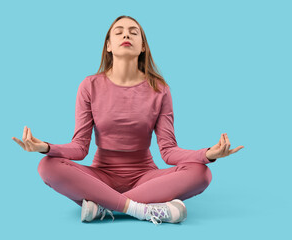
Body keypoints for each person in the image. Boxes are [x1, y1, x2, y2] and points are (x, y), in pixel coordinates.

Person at [12, 15, 244, 225]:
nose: (126, 34)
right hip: (100, 177)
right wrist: (46, 148)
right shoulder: (89, 86)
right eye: (119, 31)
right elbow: (80, 147)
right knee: (47, 165)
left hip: (146, 179)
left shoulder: (159, 89)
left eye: (134, 32)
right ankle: (142, 210)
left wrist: (208, 155)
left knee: (201, 173)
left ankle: (103, 206)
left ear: (143, 46)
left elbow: (169, 151)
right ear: (108, 45)